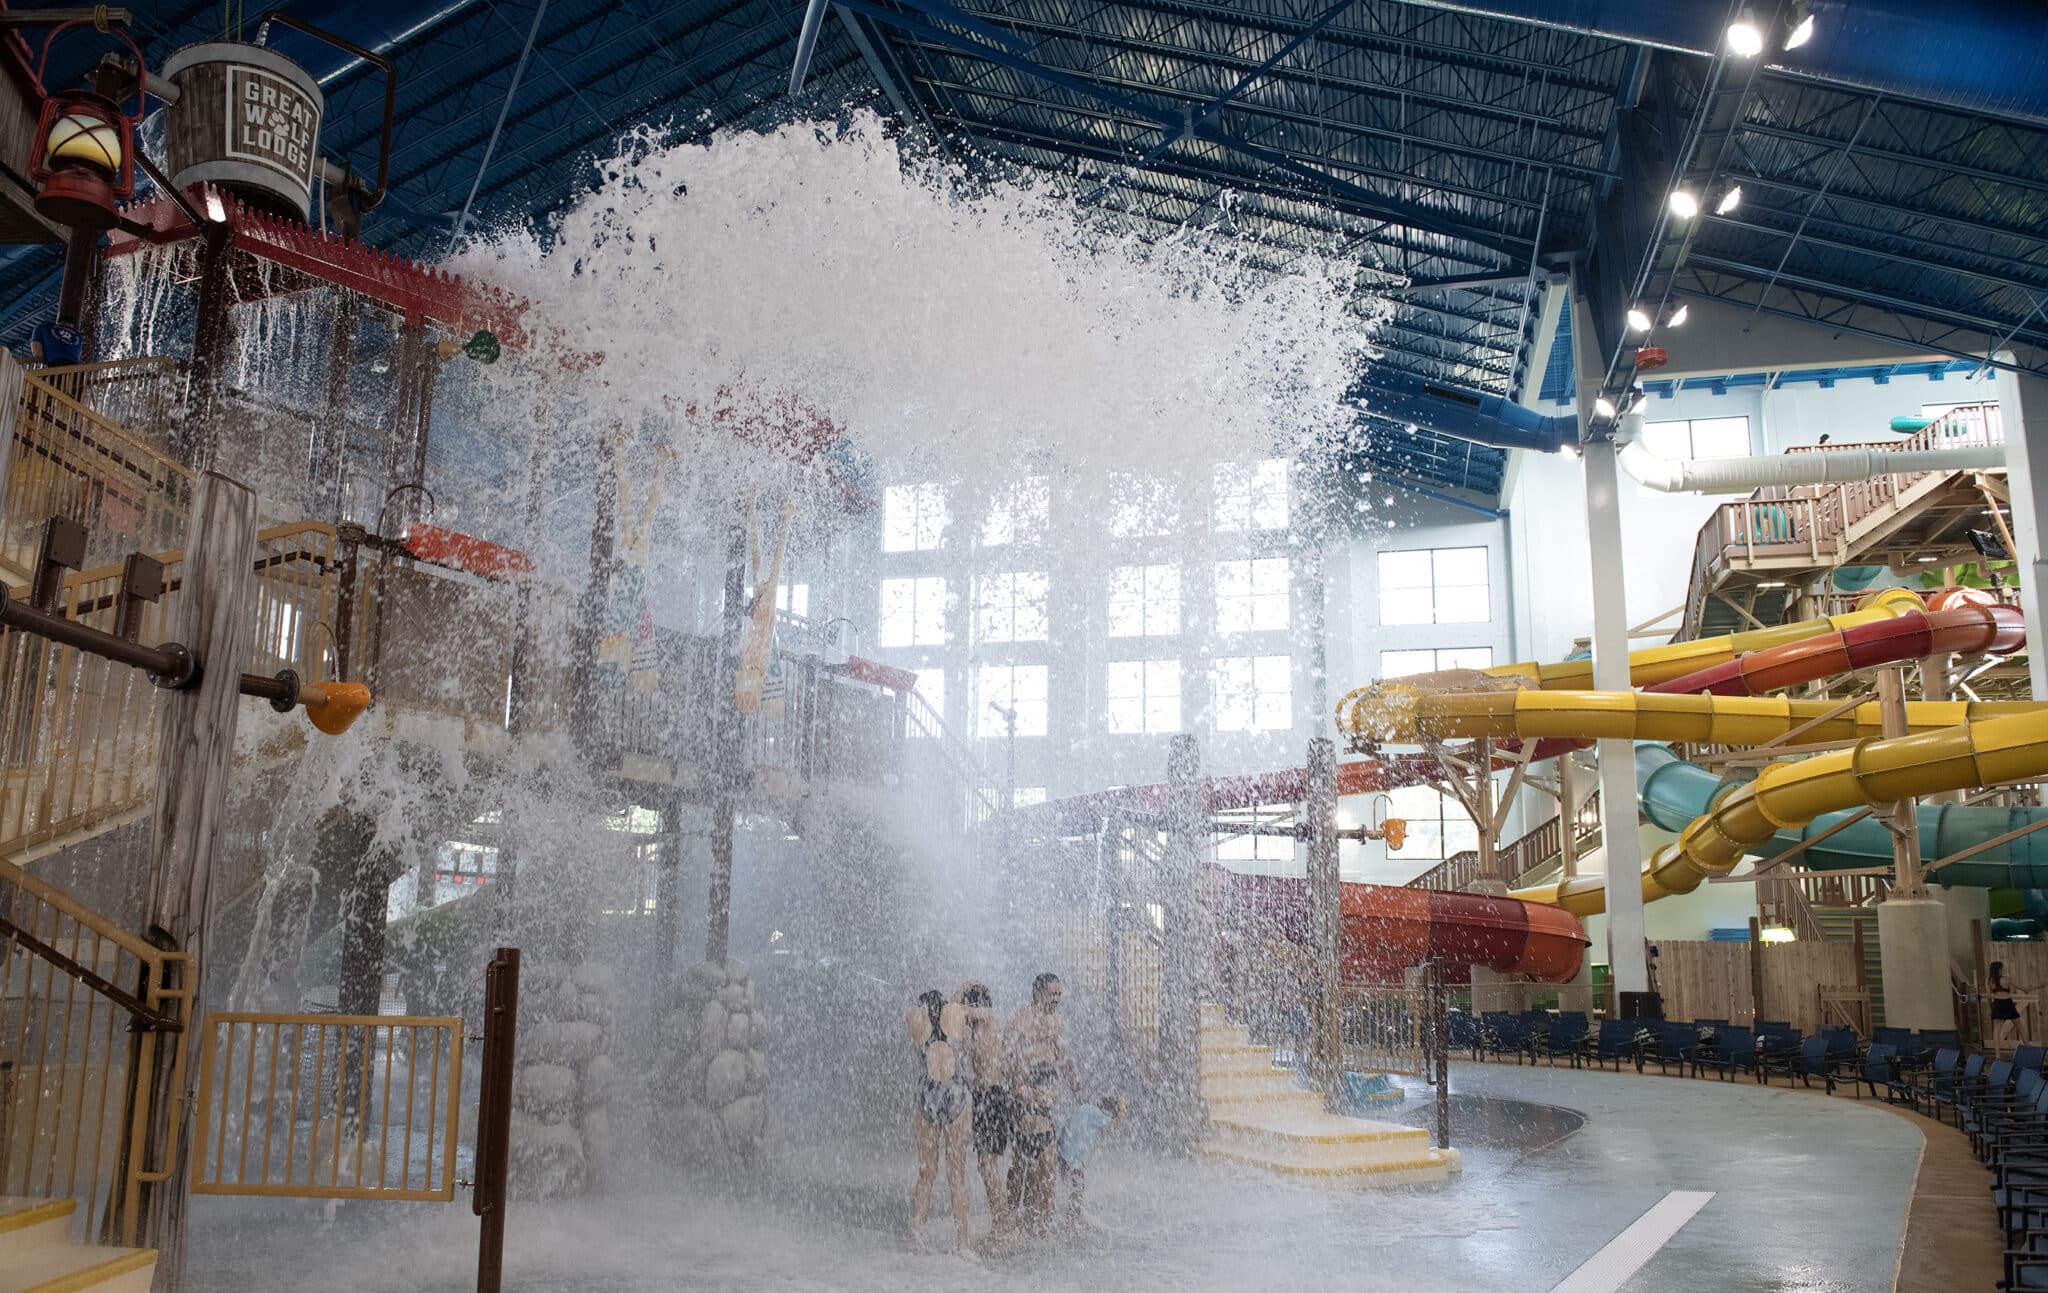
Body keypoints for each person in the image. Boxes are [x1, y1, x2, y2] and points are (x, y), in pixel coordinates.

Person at [1005, 973, 1075, 1231]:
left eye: (1059, 994)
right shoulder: (1021, 1020)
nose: (1057, 999)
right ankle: (1013, 1217)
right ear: (1037, 994)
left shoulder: (1055, 1022)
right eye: (1052, 994)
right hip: (1025, 1099)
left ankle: (1037, 1221)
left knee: (1039, 1164)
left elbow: (1062, 1056)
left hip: (1046, 1098)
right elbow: (1007, 1056)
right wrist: (1018, 1086)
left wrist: (1076, 1086)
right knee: (1029, 1162)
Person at [907, 989, 973, 1253]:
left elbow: (914, 1040)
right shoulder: (956, 1015)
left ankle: (917, 1230)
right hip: (955, 1092)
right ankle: (963, 1243)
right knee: (956, 1176)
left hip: (928, 1094)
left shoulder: (915, 1018)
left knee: (927, 1172)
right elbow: (966, 1046)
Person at [958, 982, 1013, 1240]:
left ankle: (1003, 1223)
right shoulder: (978, 1031)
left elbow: (954, 1009)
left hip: (991, 1097)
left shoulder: (989, 1018)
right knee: (985, 1165)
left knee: (987, 1164)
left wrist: (965, 987)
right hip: (986, 1097)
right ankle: (1001, 1221)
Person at [1057, 1096, 1125, 1231]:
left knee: (1076, 1190)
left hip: (1065, 1156)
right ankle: (1070, 1226)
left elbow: (1068, 1130)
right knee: (1077, 1190)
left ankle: (1071, 1222)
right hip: (1072, 1160)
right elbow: (1114, 1125)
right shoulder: (1097, 1114)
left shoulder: (1084, 1109)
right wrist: (1123, 1111)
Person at [1991, 961, 2022, 1048]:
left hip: (1997, 1004)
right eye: (2001, 968)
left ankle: (1997, 1054)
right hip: (2007, 1003)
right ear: (1999, 969)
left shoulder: (1990, 980)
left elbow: (1989, 995)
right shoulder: (2006, 979)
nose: (2003, 969)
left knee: (1996, 1030)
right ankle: (2029, 1047)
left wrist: (1997, 995)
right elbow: (2021, 987)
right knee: (2020, 1027)